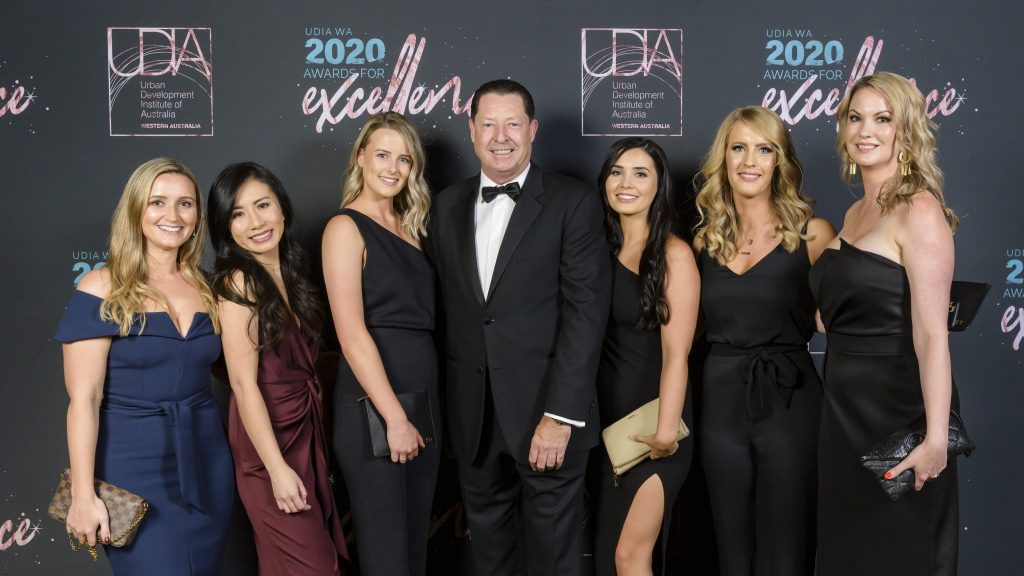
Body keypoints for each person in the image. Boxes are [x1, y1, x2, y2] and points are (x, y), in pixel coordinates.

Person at [426, 78, 611, 575]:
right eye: (489, 124)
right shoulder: (445, 207)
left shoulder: (573, 203)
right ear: (471, 131)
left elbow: (586, 315)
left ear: (532, 130)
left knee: (554, 559)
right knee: (489, 559)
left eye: (512, 124)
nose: (500, 136)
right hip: (474, 420)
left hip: (546, 417)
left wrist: (561, 416)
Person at [809, 72, 960, 575]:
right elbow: (836, 314)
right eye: (855, 118)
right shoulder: (855, 211)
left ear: (905, 130)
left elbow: (932, 336)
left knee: (899, 554)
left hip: (898, 412)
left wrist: (935, 439)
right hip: (842, 412)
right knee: (848, 555)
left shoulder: (919, 210)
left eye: (882, 118)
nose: (865, 130)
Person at [56, 158, 233, 575]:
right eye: (158, 202)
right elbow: (84, 400)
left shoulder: (209, 288)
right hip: (132, 468)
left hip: (207, 460)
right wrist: (83, 494)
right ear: (135, 210)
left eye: (185, 203)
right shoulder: (101, 286)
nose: (173, 215)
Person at [693, 106, 835, 575]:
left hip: (791, 400)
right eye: (738, 148)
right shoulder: (704, 242)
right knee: (730, 542)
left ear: (780, 161)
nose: (749, 161)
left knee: (788, 543)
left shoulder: (812, 233)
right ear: (724, 157)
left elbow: (835, 321)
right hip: (720, 401)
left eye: (764, 149)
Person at [207, 162, 348, 575]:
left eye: (263, 205)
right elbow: (243, 385)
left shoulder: (290, 273)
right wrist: (276, 470)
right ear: (226, 227)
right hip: (267, 450)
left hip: (305, 433)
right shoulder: (238, 283)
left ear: (282, 207)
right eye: (238, 213)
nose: (256, 222)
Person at [323, 112, 440, 576]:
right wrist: (394, 418)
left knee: (413, 550)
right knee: (387, 553)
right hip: (374, 406)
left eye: (404, 159)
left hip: (423, 399)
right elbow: (351, 334)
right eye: (383, 155)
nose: (393, 168)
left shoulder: (411, 226)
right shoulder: (344, 228)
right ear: (361, 157)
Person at [590, 138, 699, 576]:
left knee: (630, 556)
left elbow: (677, 354)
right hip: (606, 431)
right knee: (607, 559)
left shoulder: (673, 254)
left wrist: (667, 431)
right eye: (617, 172)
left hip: (655, 429)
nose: (626, 183)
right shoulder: (595, 249)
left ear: (659, 185)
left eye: (640, 174)